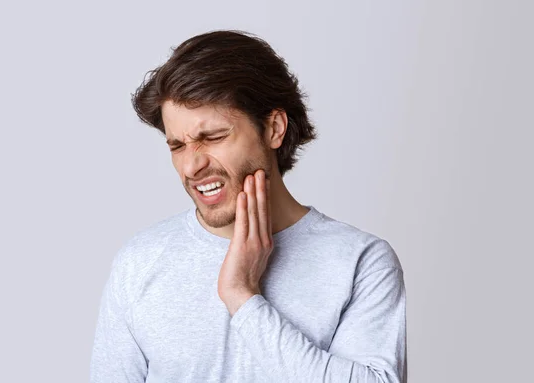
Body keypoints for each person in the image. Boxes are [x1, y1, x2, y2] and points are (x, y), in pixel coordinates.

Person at [90, 30, 406, 383]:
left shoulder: (359, 261)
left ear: (274, 128)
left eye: (212, 137)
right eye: (177, 146)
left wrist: (243, 297)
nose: (191, 166)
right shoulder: (140, 262)